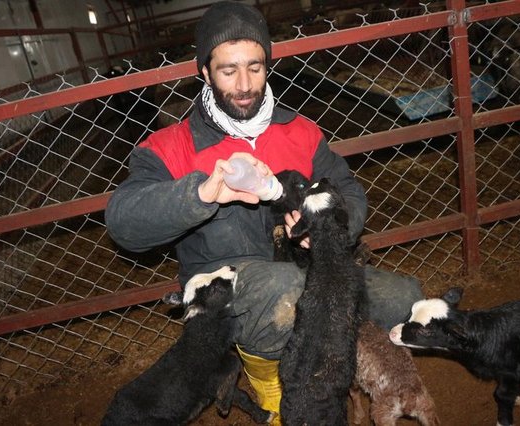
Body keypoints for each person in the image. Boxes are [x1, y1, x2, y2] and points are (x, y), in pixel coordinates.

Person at [105, 1, 423, 424]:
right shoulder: (170, 147)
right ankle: (270, 382)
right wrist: (201, 193)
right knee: (283, 294)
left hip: (311, 271)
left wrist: (325, 230)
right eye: (228, 70)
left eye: (254, 68)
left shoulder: (300, 132)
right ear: (205, 73)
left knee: (405, 299)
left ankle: (337, 368)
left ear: (267, 67)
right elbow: (123, 221)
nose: (244, 84)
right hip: (230, 290)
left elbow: (349, 193)